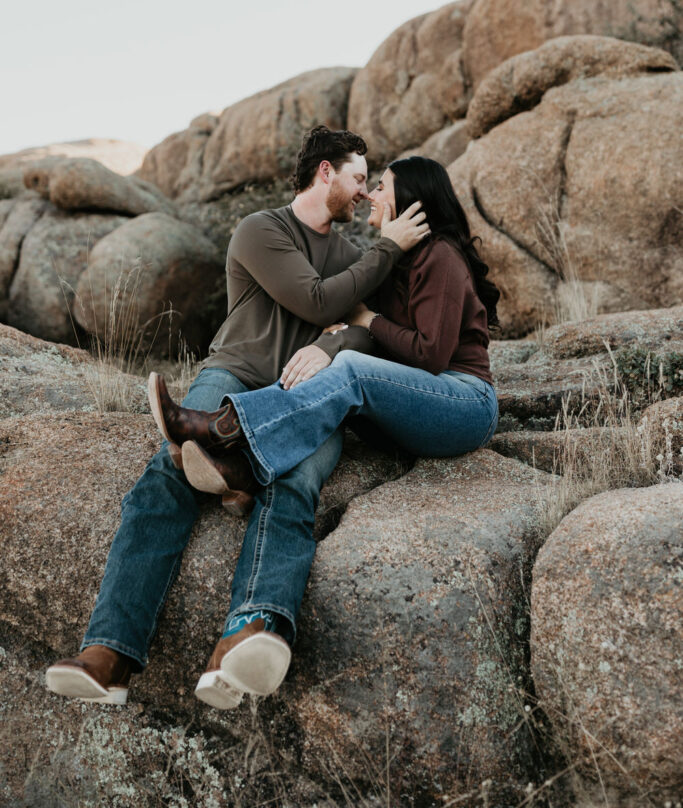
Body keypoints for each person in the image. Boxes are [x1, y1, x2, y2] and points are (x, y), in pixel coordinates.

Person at [45, 126, 429, 709]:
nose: (363, 192)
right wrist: (383, 257)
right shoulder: (261, 230)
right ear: (325, 172)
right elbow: (321, 302)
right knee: (169, 470)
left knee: (296, 482)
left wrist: (330, 346)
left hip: (306, 395)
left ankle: (246, 636)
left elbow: (366, 327)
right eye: (357, 178)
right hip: (237, 374)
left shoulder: (354, 255)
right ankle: (109, 654)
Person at [147, 156, 500, 706]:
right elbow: (346, 320)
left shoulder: (442, 258)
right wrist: (337, 336)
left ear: (411, 202)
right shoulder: (391, 267)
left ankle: (226, 428)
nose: (372, 197)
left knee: (352, 373)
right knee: (336, 385)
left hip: (462, 403)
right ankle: (248, 600)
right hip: (408, 415)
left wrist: (364, 325)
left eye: (381, 187)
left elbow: (430, 356)